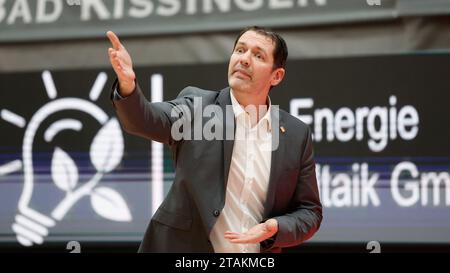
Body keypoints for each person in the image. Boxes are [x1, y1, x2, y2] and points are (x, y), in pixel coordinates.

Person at [107, 26, 322, 253]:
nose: (245, 59)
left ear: (276, 76)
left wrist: (277, 227)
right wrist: (128, 85)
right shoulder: (198, 107)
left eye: (258, 55)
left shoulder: (296, 134)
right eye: (240, 50)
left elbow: (310, 212)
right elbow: (146, 120)